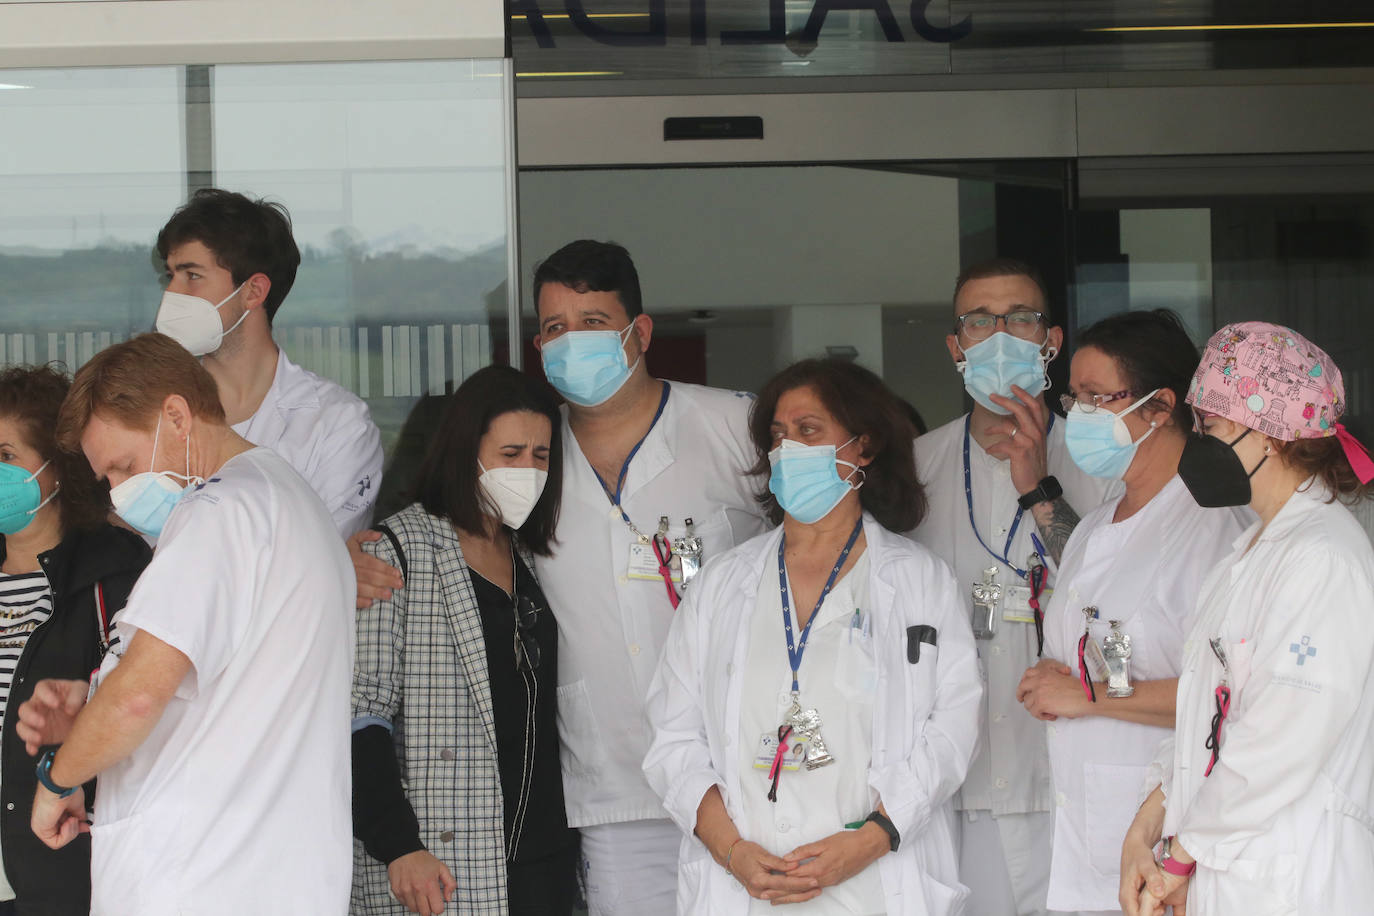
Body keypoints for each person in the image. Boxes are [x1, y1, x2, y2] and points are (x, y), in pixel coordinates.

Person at [355, 240, 770, 915]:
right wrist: (349, 553)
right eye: (553, 328)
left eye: (593, 323)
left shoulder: (731, 427)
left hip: (742, 773)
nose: (571, 342)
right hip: (610, 791)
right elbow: (447, 530)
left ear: (639, 333)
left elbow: (823, 539)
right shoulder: (533, 462)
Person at [20, 333, 354, 914]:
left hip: (202, 879)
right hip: (274, 876)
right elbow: (224, 686)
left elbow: (137, 700)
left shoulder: (216, 513)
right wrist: (92, 700)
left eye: (123, 466)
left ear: (177, 416)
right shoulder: (289, 502)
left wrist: (58, 777)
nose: (119, 494)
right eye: (107, 480)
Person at [644, 358, 981, 914]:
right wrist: (732, 853)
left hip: (874, 881)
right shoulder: (722, 585)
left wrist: (872, 839)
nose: (788, 449)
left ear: (863, 448)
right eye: (778, 435)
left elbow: (952, 727)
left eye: (808, 431)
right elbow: (672, 739)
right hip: (744, 886)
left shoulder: (919, 581)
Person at [1119, 322, 1374, 916]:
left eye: (1211, 424)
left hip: (1292, 879)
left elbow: (1282, 735)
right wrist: (1148, 827)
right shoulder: (1253, 553)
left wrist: (1180, 856)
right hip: (1233, 875)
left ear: (1273, 436)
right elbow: (1205, 718)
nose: (1197, 440)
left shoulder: (1322, 557)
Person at [1013, 310, 1250, 915]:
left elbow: (1237, 696)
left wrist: (1087, 698)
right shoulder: (1097, 525)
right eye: (1075, 396)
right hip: (1086, 846)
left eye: (1097, 397)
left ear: (1160, 405)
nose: (1079, 413)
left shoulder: (1213, 525)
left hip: (1169, 851)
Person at [907, 258, 1116, 916]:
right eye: (979, 321)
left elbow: (1116, 593)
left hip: (1081, 777)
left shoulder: (1104, 458)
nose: (999, 336)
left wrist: (1038, 485)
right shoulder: (916, 468)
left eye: (1020, 319)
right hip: (963, 786)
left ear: (1051, 341)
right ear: (956, 345)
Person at [351, 366, 578, 915]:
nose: (528, 469)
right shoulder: (396, 551)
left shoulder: (533, 559)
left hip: (541, 856)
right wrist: (398, 845)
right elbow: (360, 718)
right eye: (511, 453)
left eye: (541, 456)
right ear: (465, 451)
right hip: (437, 860)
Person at [0, 366, 150, 915]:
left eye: (6, 455)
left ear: (57, 467)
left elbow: (140, 710)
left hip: (64, 872)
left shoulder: (115, 573)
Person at [155, 188, 383, 537]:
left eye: (192, 276)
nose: (172, 293)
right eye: (170, 276)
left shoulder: (338, 424)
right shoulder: (151, 410)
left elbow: (321, 560)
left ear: (253, 291)